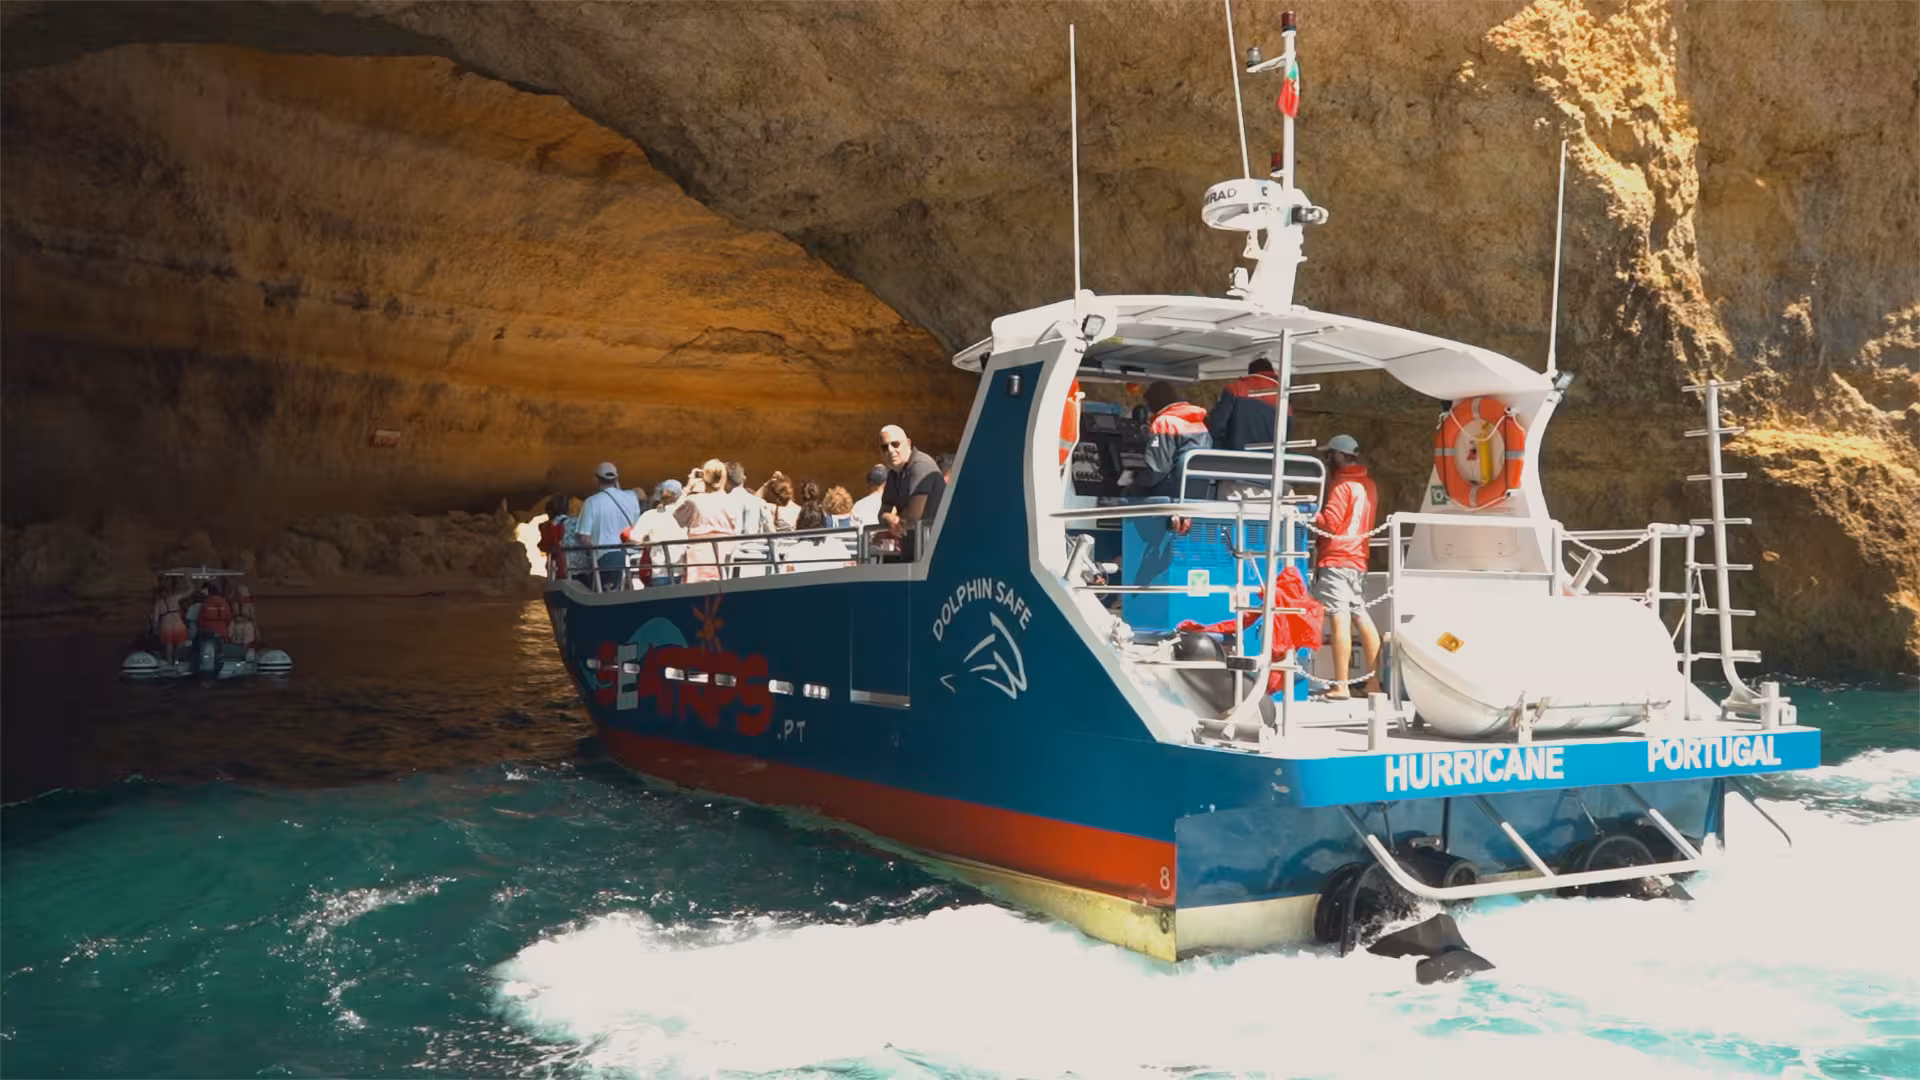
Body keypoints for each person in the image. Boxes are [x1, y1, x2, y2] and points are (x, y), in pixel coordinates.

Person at [1310, 434, 1382, 700]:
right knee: (1362, 618)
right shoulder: (1369, 485)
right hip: (1358, 559)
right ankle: (1374, 684)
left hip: (1337, 558)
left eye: (1329, 455)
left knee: (1338, 618)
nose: (1326, 460)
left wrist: (1305, 513)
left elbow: (1330, 523)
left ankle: (1341, 685)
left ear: (1338, 456)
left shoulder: (1342, 485)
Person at [1129, 381, 1212, 498]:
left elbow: (1157, 471)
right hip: (1197, 492)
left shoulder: (1164, 422)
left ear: (1154, 401)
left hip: (1170, 490)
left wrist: (1133, 477)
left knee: (1124, 493)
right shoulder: (1199, 422)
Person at [878, 425, 947, 560]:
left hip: (933, 552)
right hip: (912, 550)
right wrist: (888, 519)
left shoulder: (921, 465)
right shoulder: (893, 473)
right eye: (885, 447)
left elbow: (914, 516)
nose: (891, 450)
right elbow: (882, 512)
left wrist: (890, 525)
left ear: (908, 443)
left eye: (895, 444)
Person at [575, 461, 643, 591]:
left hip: (605, 558)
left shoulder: (591, 502)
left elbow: (584, 537)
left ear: (596, 479)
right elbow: (636, 526)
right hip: (632, 557)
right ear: (616, 478)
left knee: (607, 592)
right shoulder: (632, 497)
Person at [674, 459, 741, 583]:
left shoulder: (693, 500)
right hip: (726, 557)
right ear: (724, 478)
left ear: (704, 477)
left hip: (699, 559)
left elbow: (676, 516)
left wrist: (688, 488)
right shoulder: (733, 502)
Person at [1207, 358, 1290, 451]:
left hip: (1236, 458)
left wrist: (1218, 450)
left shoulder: (1236, 389)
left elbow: (1216, 424)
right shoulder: (1284, 399)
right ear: (1272, 373)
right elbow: (1286, 437)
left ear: (1251, 373)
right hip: (1270, 462)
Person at [631, 479, 688, 584]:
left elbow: (634, 539)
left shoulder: (650, 515)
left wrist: (647, 542)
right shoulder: (686, 514)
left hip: (659, 573)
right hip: (683, 572)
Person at [150, 580, 191, 663]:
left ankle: (169, 663)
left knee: (169, 646)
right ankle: (176, 660)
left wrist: (154, 629)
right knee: (181, 643)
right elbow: (190, 590)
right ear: (168, 592)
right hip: (178, 624)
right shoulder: (174, 598)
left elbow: (155, 619)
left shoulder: (158, 604)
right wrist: (188, 579)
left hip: (166, 625)